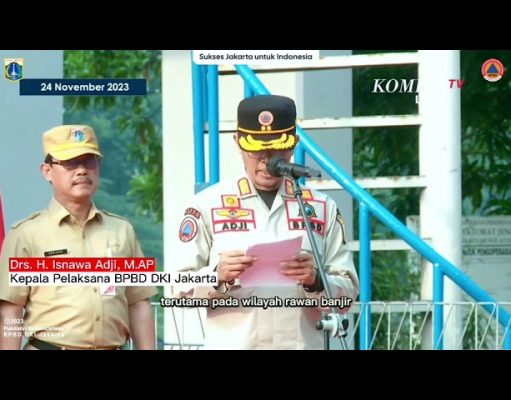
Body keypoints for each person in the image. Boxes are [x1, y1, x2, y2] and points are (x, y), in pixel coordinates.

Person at [173, 94, 359, 349]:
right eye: (255, 148)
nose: (266, 158)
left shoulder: (321, 207)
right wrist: (217, 276)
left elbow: (348, 296)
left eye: (277, 147)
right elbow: (178, 291)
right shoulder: (206, 205)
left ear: (293, 144)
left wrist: (316, 280)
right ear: (238, 142)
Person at [0, 125, 157, 350]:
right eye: (71, 163)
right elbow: (10, 311)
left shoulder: (122, 231)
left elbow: (138, 303)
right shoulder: (26, 234)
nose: (82, 170)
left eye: (89, 161)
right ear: (47, 171)